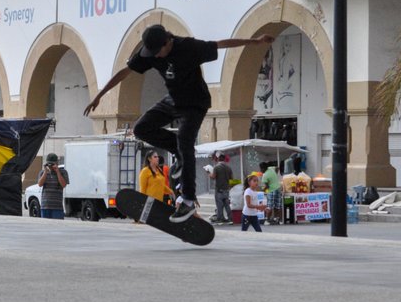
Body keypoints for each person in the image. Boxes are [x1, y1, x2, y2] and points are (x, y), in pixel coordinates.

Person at [83, 24, 273, 223]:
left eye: (158, 52)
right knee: (141, 128)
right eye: (152, 53)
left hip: (194, 104)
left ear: (168, 41)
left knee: (185, 140)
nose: (155, 57)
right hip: (173, 101)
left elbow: (220, 44)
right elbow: (125, 72)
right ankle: (178, 150)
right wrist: (99, 96)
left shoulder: (189, 47)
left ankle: (189, 201)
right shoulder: (150, 53)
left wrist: (255, 41)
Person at [37, 152, 69, 219]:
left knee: (57, 227)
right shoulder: (42, 172)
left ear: (57, 163)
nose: (51, 166)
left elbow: (63, 185)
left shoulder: (63, 172)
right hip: (45, 206)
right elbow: (40, 184)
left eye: (53, 164)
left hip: (57, 207)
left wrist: (57, 172)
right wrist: (45, 172)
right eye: (49, 164)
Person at [210, 152, 233, 224]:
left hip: (219, 189)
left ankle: (220, 218)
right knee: (227, 205)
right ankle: (230, 218)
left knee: (219, 205)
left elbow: (213, 177)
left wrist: (208, 173)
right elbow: (231, 179)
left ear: (218, 158)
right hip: (226, 189)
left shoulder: (216, 167)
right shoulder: (229, 168)